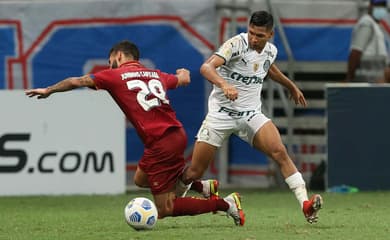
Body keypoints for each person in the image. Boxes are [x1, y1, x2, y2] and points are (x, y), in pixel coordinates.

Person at [25, 40, 245, 225]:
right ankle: (203, 187)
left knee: (165, 208)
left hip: (161, 142)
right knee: (140, 179)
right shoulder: (155, 74)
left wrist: (49, 90)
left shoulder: (114, 76)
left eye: (111, 59)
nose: (110, 64)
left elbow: (76, 81)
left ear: (118, 55)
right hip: (172, 135)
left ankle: (226, 204)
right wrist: (183, 72)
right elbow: (184, 79)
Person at [175, 11, 323, 224]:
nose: (254, 38)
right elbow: (206, 67)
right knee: (194, 172)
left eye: (260, 35)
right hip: (221, 115)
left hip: (251, 115)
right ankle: (175, 202)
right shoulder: (235, 44)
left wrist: (290, 85)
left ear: (270, 34)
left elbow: (268, 67)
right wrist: (224, 84)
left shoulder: (270, 51)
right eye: (251, 33)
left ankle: (306, 206)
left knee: (280, 152)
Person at [346, 0, 390, 83]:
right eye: (378, 5)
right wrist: (349, 78)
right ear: (370, 6)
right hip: (366, 82)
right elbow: (355, 52)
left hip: (376, 83)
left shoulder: (375, 26)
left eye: (382, 6)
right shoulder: (367, 24)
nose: (380, 8)